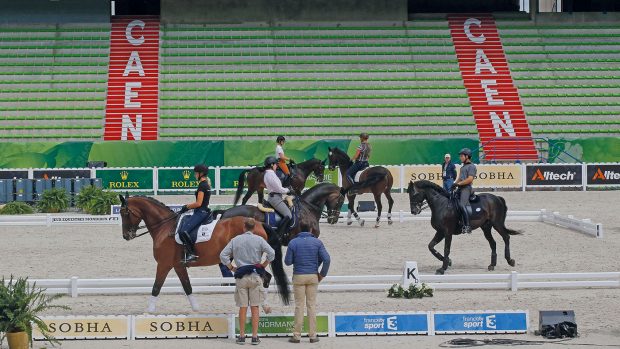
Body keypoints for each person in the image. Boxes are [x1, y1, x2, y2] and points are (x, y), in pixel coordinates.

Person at [220, 218, 275, 345]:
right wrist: (264, 265)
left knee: (243, 307)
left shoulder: (236, 240)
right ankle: (255, 337)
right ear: (254, 228)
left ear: (244, 227)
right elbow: (272, 253)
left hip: (241, 276)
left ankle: (242, 336)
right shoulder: (259, 240)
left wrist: (231, 267)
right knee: (255, 307)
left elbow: (223, 255)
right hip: (255, 275)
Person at [285, 222, 331, 344]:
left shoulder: (293, 242)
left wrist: (297, 258)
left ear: (300, 229)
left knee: (299, 306)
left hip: (299, 275)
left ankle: (296, 336)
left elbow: (288, 262)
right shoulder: (317, 242)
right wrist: (321, 275)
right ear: (311, 229)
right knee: (311, 305)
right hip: (312, 276)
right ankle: (313, 335)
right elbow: (327, 259)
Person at [177, 164, 212, 263]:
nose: (195, 175)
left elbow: (198, 203)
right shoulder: (206, 184)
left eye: (196, 173)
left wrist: (186, 206)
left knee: (183, 231)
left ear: (201, 174)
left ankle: (192, 253)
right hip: (204, 211)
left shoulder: (202, 186)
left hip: (201, 212)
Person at [263, 156, 294, 240]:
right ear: (272, 164)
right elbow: (279, 189)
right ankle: (279, 235)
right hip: (275, 198)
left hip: (275, 196)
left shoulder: (268, 173)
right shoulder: (271, 174)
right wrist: (288, 190)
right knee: (288, 215)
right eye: (276, 165)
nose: (276, 166)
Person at [451, 148, 477, 234]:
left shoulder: (472, 166)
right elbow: (459, 178)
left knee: (462, 204)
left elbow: (470, 179)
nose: (460, 158)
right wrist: (454, 184)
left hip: (467, 188)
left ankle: (467, 226)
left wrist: (459, 184)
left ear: (467, 156)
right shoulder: (463, 167)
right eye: (460, 156)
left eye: (461, 156)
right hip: (461, 188)